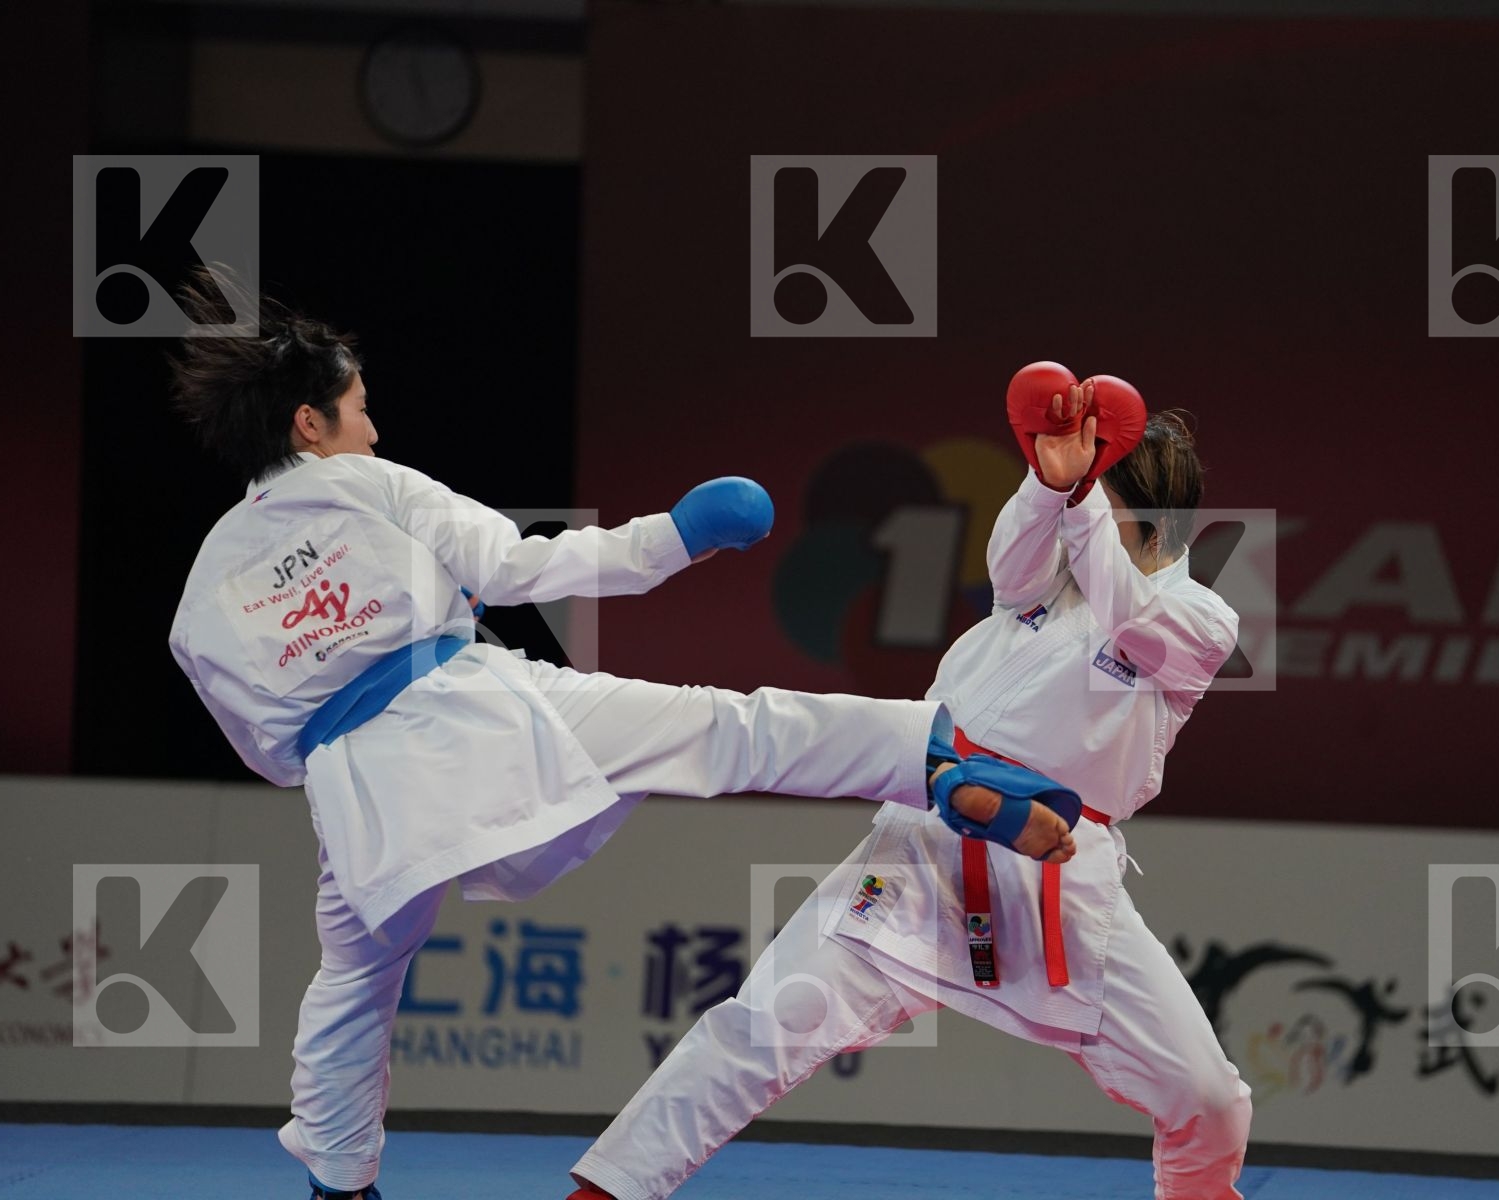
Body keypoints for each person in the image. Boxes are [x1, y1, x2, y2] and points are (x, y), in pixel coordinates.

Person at [162, 273, 1080, 1200]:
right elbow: (524, 566)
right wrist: (675, 537)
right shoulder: (365, 481)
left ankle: (338, 1182)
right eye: (359, 412)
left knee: (353, 989)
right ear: (310, 428)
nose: (372, 430)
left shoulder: (202, 594)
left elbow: (269, 754)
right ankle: (935, 759)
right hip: (483, 719)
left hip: (362, 799)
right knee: (723, 729)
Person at [568, 380, 1253, 1200]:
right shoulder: (1042, 578)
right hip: (925, 849)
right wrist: (1048, 484)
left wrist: (1079, 503)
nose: (1081, 513)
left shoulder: (1199, 621)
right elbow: (1012, 554)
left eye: (1096, 490)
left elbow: (1126, 609)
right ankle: (601, 1193)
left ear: (1147, 514)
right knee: (762, 1027)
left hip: (1058, 880)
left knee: (1208, 1099)